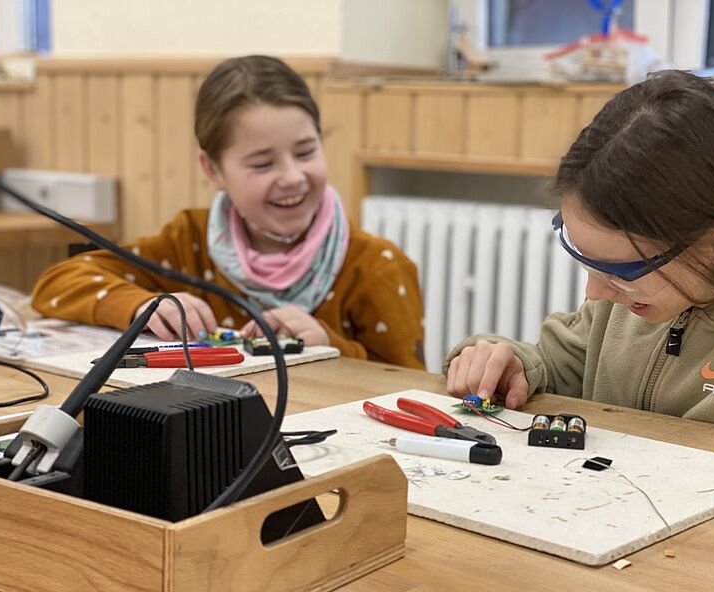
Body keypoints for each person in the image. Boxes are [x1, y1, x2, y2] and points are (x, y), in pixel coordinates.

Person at [445, 70, 714, 437]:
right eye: (587, 259)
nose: (593, 293)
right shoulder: (625, 306)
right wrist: (512, 365)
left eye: (621, 270)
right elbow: (559, 366)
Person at [32, 55, 424, 369]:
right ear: (213, 170)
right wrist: (140, 305)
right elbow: (58, 281)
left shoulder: (376, 267)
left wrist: (329, 347)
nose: (291, 177)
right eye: (262, 163)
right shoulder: (188, 239)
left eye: (306, 152)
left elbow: (408, 383)